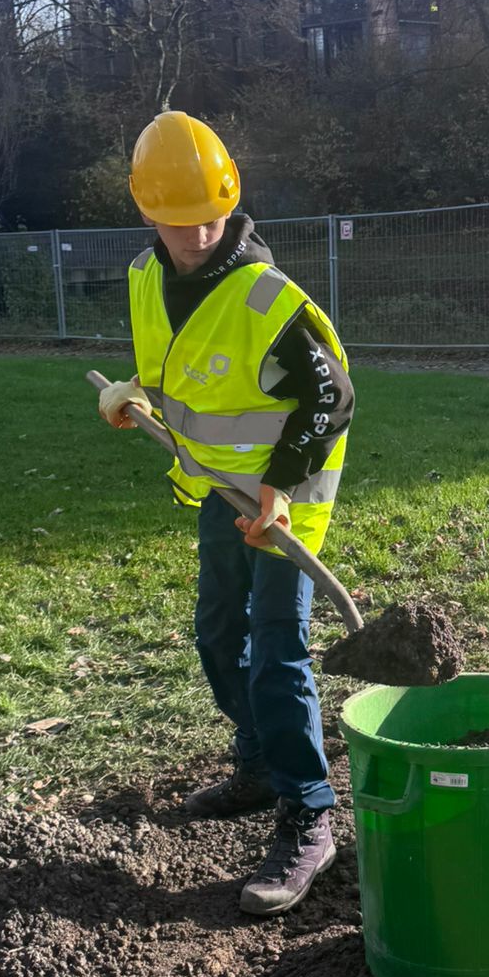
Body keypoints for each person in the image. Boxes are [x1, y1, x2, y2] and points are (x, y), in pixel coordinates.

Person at [97, 111, 355, 918]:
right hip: (217, 492)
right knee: (217, 635)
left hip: (284, 505)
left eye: (211, 216)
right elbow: (173, 372)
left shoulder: (267, 297)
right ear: (148, 210)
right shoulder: (146, 277)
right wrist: (132, 396)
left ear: (231, 200)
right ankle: (259, 764)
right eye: (180, 220)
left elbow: (333, 397)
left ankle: (309, 811)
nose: (198, 233)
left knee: (277, 652)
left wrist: (280, 487)